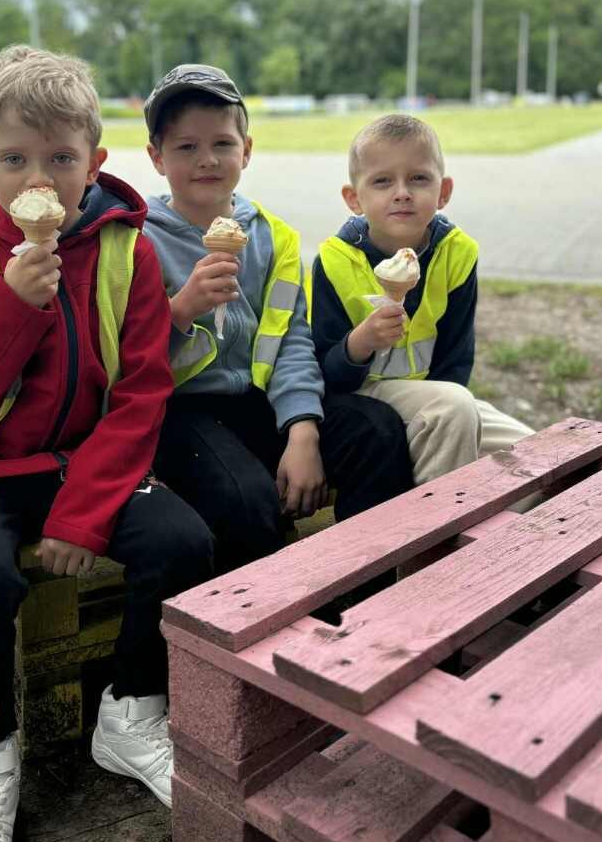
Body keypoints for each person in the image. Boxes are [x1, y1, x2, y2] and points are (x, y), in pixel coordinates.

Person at [0, 46, 214, 842]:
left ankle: (131, 709)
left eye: (60, 158)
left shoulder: (129, 254)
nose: (37, 178)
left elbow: (141, 392)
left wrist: (83, 515)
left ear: (95, 162)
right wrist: (9, 306)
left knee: (183, 542)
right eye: (14, 160)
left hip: (87, 465)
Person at [141, 65, 412, 578]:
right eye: (186, 147)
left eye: (222, 144)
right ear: (157, 157)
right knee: (246, 499)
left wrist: (302, 429)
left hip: (258, 401)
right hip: (177, 413)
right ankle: (255, 614)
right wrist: (180, 310)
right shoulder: (138, 240)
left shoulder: (274, 237)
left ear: (246, 151)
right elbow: (123, 357)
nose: (207, 159)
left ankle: (362, 595)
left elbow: (290, 339)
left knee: (376, 431)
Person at [310, 112, 533, 486]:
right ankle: (435, 522)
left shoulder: (457, 254)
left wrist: (441, 424)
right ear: (354, 198)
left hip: (436, 398)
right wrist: (360, 342)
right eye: (382, 181)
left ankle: (509, 522)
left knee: (538, 451)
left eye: (418, 178)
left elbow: (455, 359)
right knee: (452, 409)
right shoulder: (334, 262)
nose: (402, 192)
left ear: (443, 191)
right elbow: (324, 372)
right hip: (363, 396)